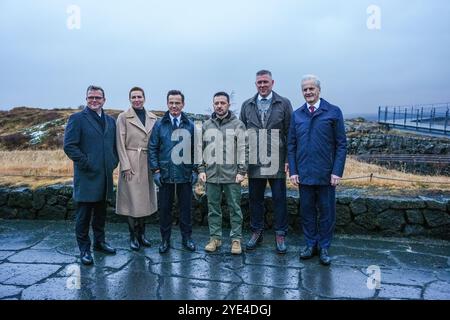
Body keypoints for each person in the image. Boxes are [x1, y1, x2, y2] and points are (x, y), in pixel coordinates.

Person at [287, 75, 347, 266]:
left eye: (311, 88)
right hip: (304, 175)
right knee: (307, 212)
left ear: (319, 90)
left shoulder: (333, 112)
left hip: (327, 175)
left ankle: (324, 247)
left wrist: (337, 171)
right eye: (305, 89)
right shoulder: (297, 115)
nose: (308, 92)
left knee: (327, 212)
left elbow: (341, 145)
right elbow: (291, 145)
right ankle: (310, 244)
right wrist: (293, 171)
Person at [63, 85, 119, 265]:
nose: (94, 100)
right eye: (90, 98)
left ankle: (99, 243)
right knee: (83, 216)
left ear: (104, 100)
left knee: (101, 214)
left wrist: (113, 162)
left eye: (97, 98)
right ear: (86, 99)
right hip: (86, 176)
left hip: (105, 176)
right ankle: (84, 249)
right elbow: (69, 146)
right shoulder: (77, 118)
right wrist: (87, 162)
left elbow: (113, 146)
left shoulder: (111, 121)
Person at [240, 70, 293, 254]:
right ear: (255, 84)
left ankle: (280, 233)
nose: (262, 85)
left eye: (265, 82)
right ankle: (257, 231)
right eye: (259, 82)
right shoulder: (247, 105)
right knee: (255, 199)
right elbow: (241, 135)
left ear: (272, 82)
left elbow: (290, 134)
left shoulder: (284, 103)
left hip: (277, 160)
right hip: (254, 161)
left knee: (279, 199)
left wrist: (288, 160)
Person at [148, 90, 198, 254]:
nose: (174, 105)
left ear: (183, 104)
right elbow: (153, 148)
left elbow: (195, 150)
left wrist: (195, 170)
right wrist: (155, 170)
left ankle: (187, 238)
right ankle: (165, 240)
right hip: (165, 175)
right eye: (171, 102)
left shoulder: (190, 125)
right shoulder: (159, 125)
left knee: (186, 210)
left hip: (184, 174)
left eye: (177, 102)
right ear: (167, 103)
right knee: (165, 210)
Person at [198, 92, 247, 255]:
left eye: (222, 103)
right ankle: (215, 238)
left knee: (235, 208)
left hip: (232, 175)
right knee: (213, 208)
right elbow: (200, 149)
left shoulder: (238, 124)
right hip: (211, 174)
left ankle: (236, 240)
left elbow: (244, 149)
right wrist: (201, 169)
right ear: (213, 105)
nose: (219, 106)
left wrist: (242, 171)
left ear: (228, 105)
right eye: (216, 103)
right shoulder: (206, 125)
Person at [116, 87, 158, 251]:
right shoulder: (123, 117)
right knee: (132, 202)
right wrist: (125, 165)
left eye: (139, 96)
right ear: (130, 99)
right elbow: (120, 142)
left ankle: (142, 235)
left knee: (144, 202)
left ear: (144, 98)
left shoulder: (153, 117)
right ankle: (133, 236)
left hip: (148, 162)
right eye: (133, 97)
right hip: (132, 162)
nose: (136, 99)